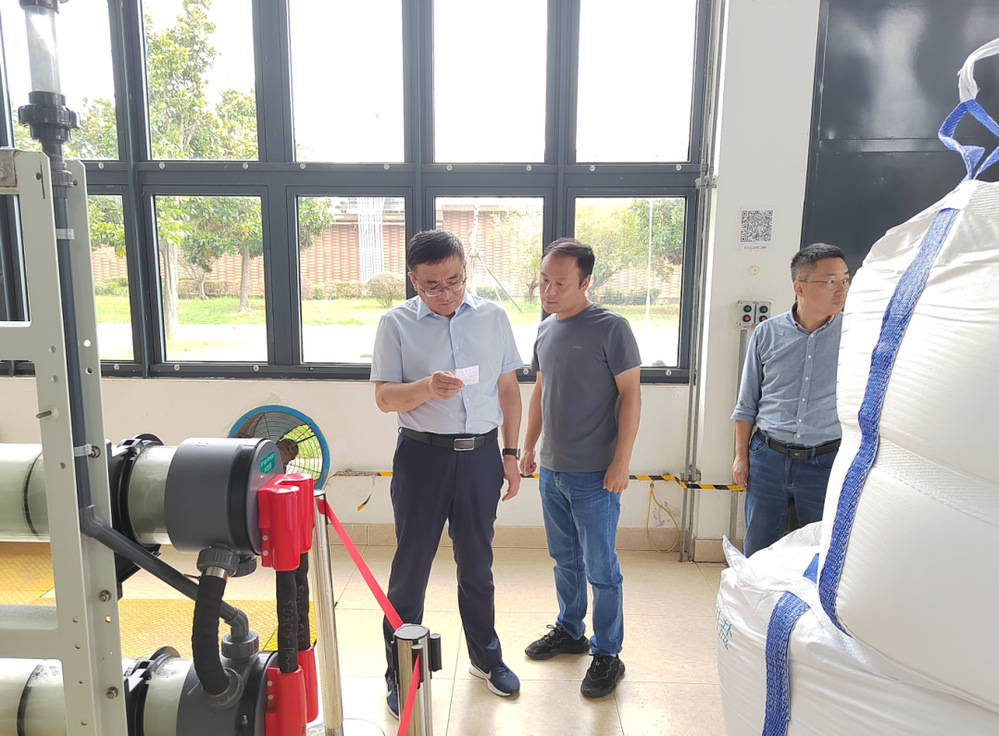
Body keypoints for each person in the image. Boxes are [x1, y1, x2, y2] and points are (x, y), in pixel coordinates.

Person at [370, 230, 524, 717]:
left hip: (480, 457)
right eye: (432, 285)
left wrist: (510, 454)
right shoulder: (395, 323)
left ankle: (486, 659)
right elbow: (384, 398)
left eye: (455, 280)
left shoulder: (493, 317)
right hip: (422, 457)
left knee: (477, 565)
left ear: (465, 271)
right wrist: (425, 388)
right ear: (413, 280)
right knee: (410, 569)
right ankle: (401, 671)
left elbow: (508, 389)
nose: (446, 292)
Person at [519, 238, 642, 699]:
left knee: (602, 568)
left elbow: (631, 395)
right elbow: (540, 390)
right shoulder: (545, 329)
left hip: (595, 474)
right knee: (564, 558)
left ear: (586, 282)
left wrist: (621, 462)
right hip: (552, 470)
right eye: (543, 281)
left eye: (560, 283)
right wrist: (527, 446)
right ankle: (571, 630)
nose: (548, 291)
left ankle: (608, 652)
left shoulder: (612, 328)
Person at [732, 242, 850, 557]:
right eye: (830, 281)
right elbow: (747, 403)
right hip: (768, 458)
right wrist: (741, 457)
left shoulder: (854, 335)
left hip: (824, 460)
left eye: (845, 279)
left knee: (818, 552)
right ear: (799, 287)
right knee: (758, 549)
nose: (841, 289)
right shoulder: (767, 334)